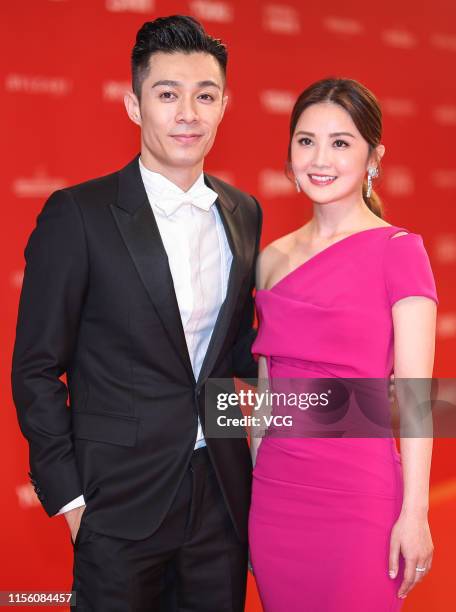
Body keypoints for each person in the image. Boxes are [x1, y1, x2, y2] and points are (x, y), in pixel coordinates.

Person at [11, 15, 261, 611]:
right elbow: (36, 368)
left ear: (225, 105)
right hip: (117, 504)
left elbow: (229, 362)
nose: (187, 113)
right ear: (133, 105)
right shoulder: (78, 215)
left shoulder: (243, 213)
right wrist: (71, 501)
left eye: (205, 96)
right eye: (167, 94)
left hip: (219, 502)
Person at [248, 78, 437, 611]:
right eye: (306, 141)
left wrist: (415, 513)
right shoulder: (271, 259)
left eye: (341, 142)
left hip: (361, 499)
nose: (320, 158)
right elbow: (267, 399)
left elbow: (419, 399)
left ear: (373, 156)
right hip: (277, 499)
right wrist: (253, 493)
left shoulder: (400, 251)